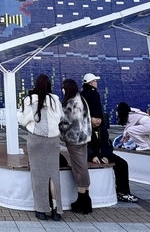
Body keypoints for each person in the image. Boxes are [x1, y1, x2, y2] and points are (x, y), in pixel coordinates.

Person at [18, 74, 62, 221]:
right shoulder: (55, 99)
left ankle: (41, 210)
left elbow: (23, 120)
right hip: (53, 140)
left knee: (38, 176)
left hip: (36, 140)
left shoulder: (29, 100)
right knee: (53, 176)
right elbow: (60, 118)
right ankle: (56, 210)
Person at [59, 79, 92, 213]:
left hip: (74, 139)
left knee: (79, 168)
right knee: (82, 165)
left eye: (63, 88)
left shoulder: (71, 102)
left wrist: (58, 129)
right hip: (84, 137)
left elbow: (66, 122)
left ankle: (83, 199)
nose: (62, 90)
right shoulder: (81, 99)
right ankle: (85, 197)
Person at [80, 73, 108, 162]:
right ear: (91, 83)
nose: (96, 83)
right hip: (91, 122)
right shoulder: (93, 93)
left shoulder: (82, 94)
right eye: (95, 81)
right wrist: (95, 118)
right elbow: (95, 108)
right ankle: (99, 156)